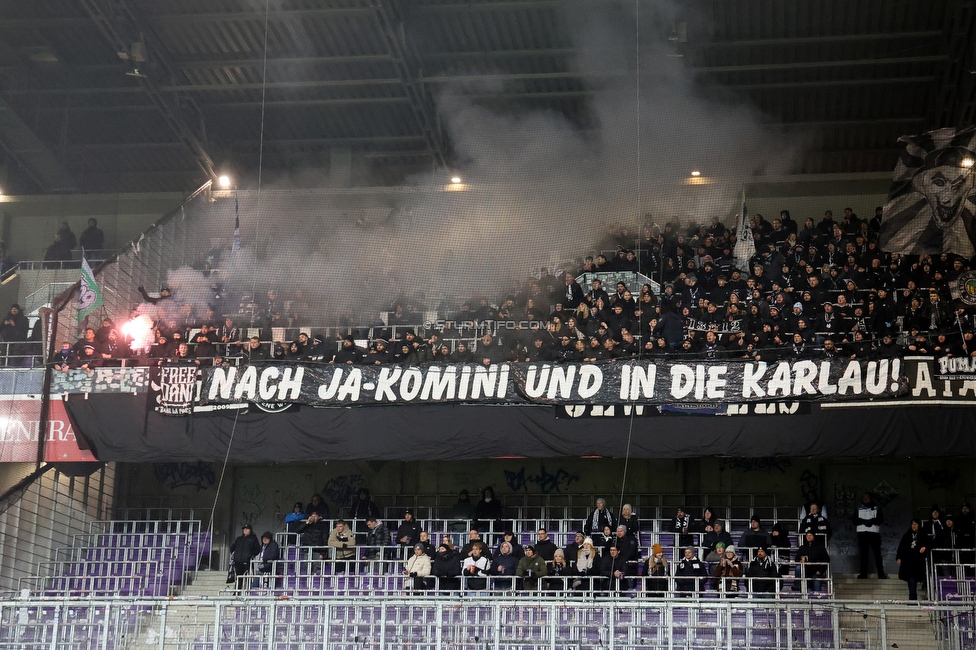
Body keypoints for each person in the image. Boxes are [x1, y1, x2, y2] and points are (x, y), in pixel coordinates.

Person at [854, 492, 887, 579]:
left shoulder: (877, 507)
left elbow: (880, 520)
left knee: (877, 554)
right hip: (862, 533)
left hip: (874, 533)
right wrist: (863, 522)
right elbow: (854, 520)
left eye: (867, 497)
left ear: (871, 498)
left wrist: (871, 521)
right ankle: (863, 574)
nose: (865, 499)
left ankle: (881, 573)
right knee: (863, 554)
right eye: (863, 497)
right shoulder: (858, 508)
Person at [896, 519, 928, 600]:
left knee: (914, 578)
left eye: (916, 524)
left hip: (918, 561)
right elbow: (901, 547)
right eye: (912, 524)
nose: (914, 526)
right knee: (911, 579)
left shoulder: (923, 535)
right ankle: (912, 597)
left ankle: (914, 597)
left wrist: (925, 547)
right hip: (907, 562)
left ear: (919, 525)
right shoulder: (906, 535)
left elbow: (929, 543)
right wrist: (899, 557)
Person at [230, 524, 261, 591]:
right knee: (238, 578)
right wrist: (235, 555)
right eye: (244, 529)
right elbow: (232, 547)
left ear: (250, 530)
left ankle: (249, 591)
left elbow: (257, 549)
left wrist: (251, 555)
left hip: (247, 562)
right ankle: (237, 591)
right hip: (238, 562)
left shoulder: (253, 538)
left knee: (248, 578)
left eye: (247, 529)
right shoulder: (239, 539)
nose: (245, 530)